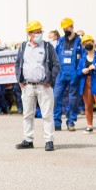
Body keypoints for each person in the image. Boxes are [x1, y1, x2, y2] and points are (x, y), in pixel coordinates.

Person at [14, 20, 59, 151]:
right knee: (27, 114)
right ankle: (28, 140)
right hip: (27, 86)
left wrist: (50, 80)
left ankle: (49, 140)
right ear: (30, 34)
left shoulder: (47, 47)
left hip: (44, 86)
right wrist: (19, 79)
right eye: (36, 32)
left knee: (47, 115)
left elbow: (56, 65)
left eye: (40, 32)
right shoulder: (23, 47)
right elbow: (18, 64)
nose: (39, 34)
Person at [52, 17, 83, 131]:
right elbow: (55, 55)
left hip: (74, 74)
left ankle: (71, 122)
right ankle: (56, 123)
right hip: (61, 74)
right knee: (56, 97)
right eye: (64, 28)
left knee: (73, 99)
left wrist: (78, 72)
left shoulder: (79, 41)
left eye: (67, 28)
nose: (65, 30)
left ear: (72, 27)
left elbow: (83, 58)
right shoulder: (60, 41)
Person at [76, 34, 96, 134]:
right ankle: (89, 126)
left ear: (93, 43)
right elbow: (77, 72)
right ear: (82, 46)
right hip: (86, 83)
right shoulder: (82, 59)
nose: (88, 44)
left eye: (89, 42)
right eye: (85, 43)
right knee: (88, 106)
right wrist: (82, 71)